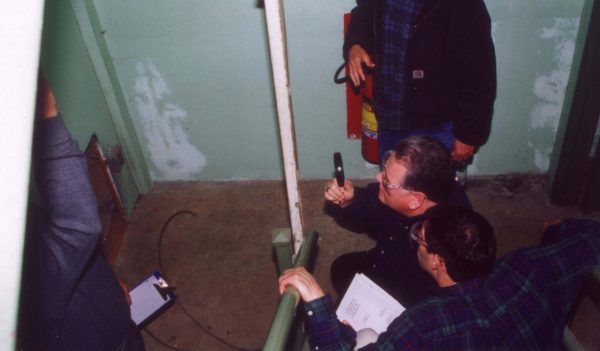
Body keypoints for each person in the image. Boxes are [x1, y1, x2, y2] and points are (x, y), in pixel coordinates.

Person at [279, 206, 600, 350]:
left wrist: (317, 302)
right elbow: (594, 237)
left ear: (437, 261)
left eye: (420, 237)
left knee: (363, 336)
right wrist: (558, 229)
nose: (415, 237)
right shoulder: (531, 266)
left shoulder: (425, 323)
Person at [17, 75, 144, 350]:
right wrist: (47, 113)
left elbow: (63, 244)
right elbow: (76, 225)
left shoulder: (16, 216)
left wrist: (105, 278)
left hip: (119, 327)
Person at [344, 0, 496, 162]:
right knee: (391, 183)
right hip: (389, 115)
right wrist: (356, 45)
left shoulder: (465, 5)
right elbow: (365, 12)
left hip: (435, 126)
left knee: (431, 186)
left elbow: (479, 73)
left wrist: (468, 135)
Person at [324, 135, 464, 307]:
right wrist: (350, 200)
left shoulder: (437, 247)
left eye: (387, 183)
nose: (378, 177)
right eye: (384, 169)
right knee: (342, 268)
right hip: (390, 260)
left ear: (416, 200)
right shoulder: (428, 190)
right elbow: (374, 206)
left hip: (411, 297)